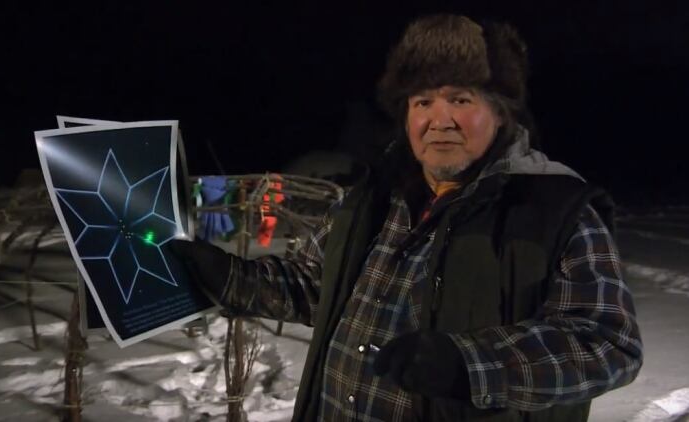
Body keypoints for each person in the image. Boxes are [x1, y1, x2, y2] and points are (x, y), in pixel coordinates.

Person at [167, 14, 643, 422]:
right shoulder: (370, 201)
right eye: (422, 102)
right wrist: (227, 277)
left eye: (460, 99)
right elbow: (313, 288)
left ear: (501, 114)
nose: (440, 119)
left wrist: (470, 365)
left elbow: (606, 344)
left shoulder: (554, 211)